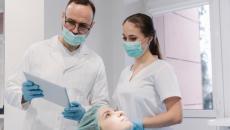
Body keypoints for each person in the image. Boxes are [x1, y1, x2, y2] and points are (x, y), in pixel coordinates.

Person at [5, 0, 109, 130]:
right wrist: (24, 96)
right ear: (62, 17)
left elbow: (101, 104)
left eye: (83, 26)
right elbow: (10, 89)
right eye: (70, 22)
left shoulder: (96, 62)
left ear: (91, 26)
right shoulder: (36, 51)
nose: (75, 31)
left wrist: (85, 113)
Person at [112, 13, 183, 130]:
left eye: (133, 38)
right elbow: (121, 108)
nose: (127, 42)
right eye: (124, 38)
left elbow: (176, 115)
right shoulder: (125, 72)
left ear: (149, 38)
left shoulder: (161, 69)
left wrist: (140, 123)